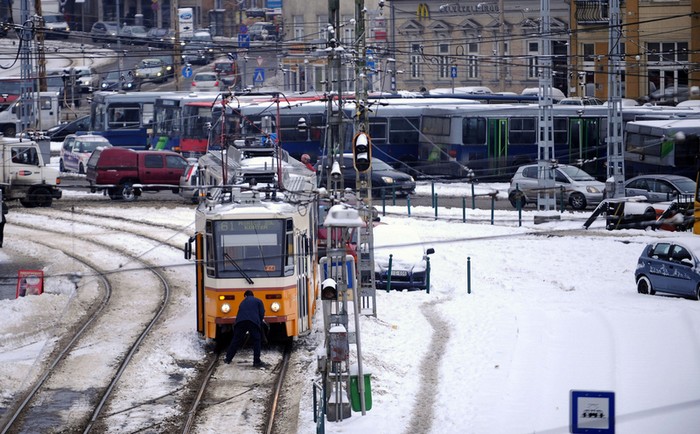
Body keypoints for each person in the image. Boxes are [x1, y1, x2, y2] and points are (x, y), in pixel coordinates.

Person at [224, 290, 268, 367]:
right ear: (252, 295)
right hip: (253, 322)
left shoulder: (242, 302)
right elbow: (262, 313)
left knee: (236, 340)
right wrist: (259, 322)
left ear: (245, 296)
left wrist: (237, 325)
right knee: (256, 340)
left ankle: (228, 359)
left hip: (241, 322)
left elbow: (239, 314)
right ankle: (256, 361)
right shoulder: (258, 301)